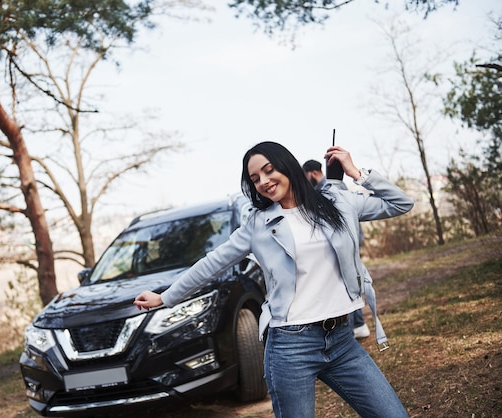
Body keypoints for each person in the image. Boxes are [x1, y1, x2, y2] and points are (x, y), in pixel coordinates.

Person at [134, 142, 413, 418]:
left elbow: (401, 203)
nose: (264, 182)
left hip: (341, 341)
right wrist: (165, 297)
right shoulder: (258, 225)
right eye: (255, 179)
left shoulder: (337, 203)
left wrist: (356, 172)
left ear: (287, 166)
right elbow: (212, 263)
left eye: (268, 171)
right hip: (291, 347)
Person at [302, 159, 371, 339]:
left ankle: (356, 324)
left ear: (313, 173)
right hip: (343, 242)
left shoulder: (334, 188)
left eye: (305, 176)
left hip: (345, 242)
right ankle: (358, 324)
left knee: (348, 282)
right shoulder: (324, 189)